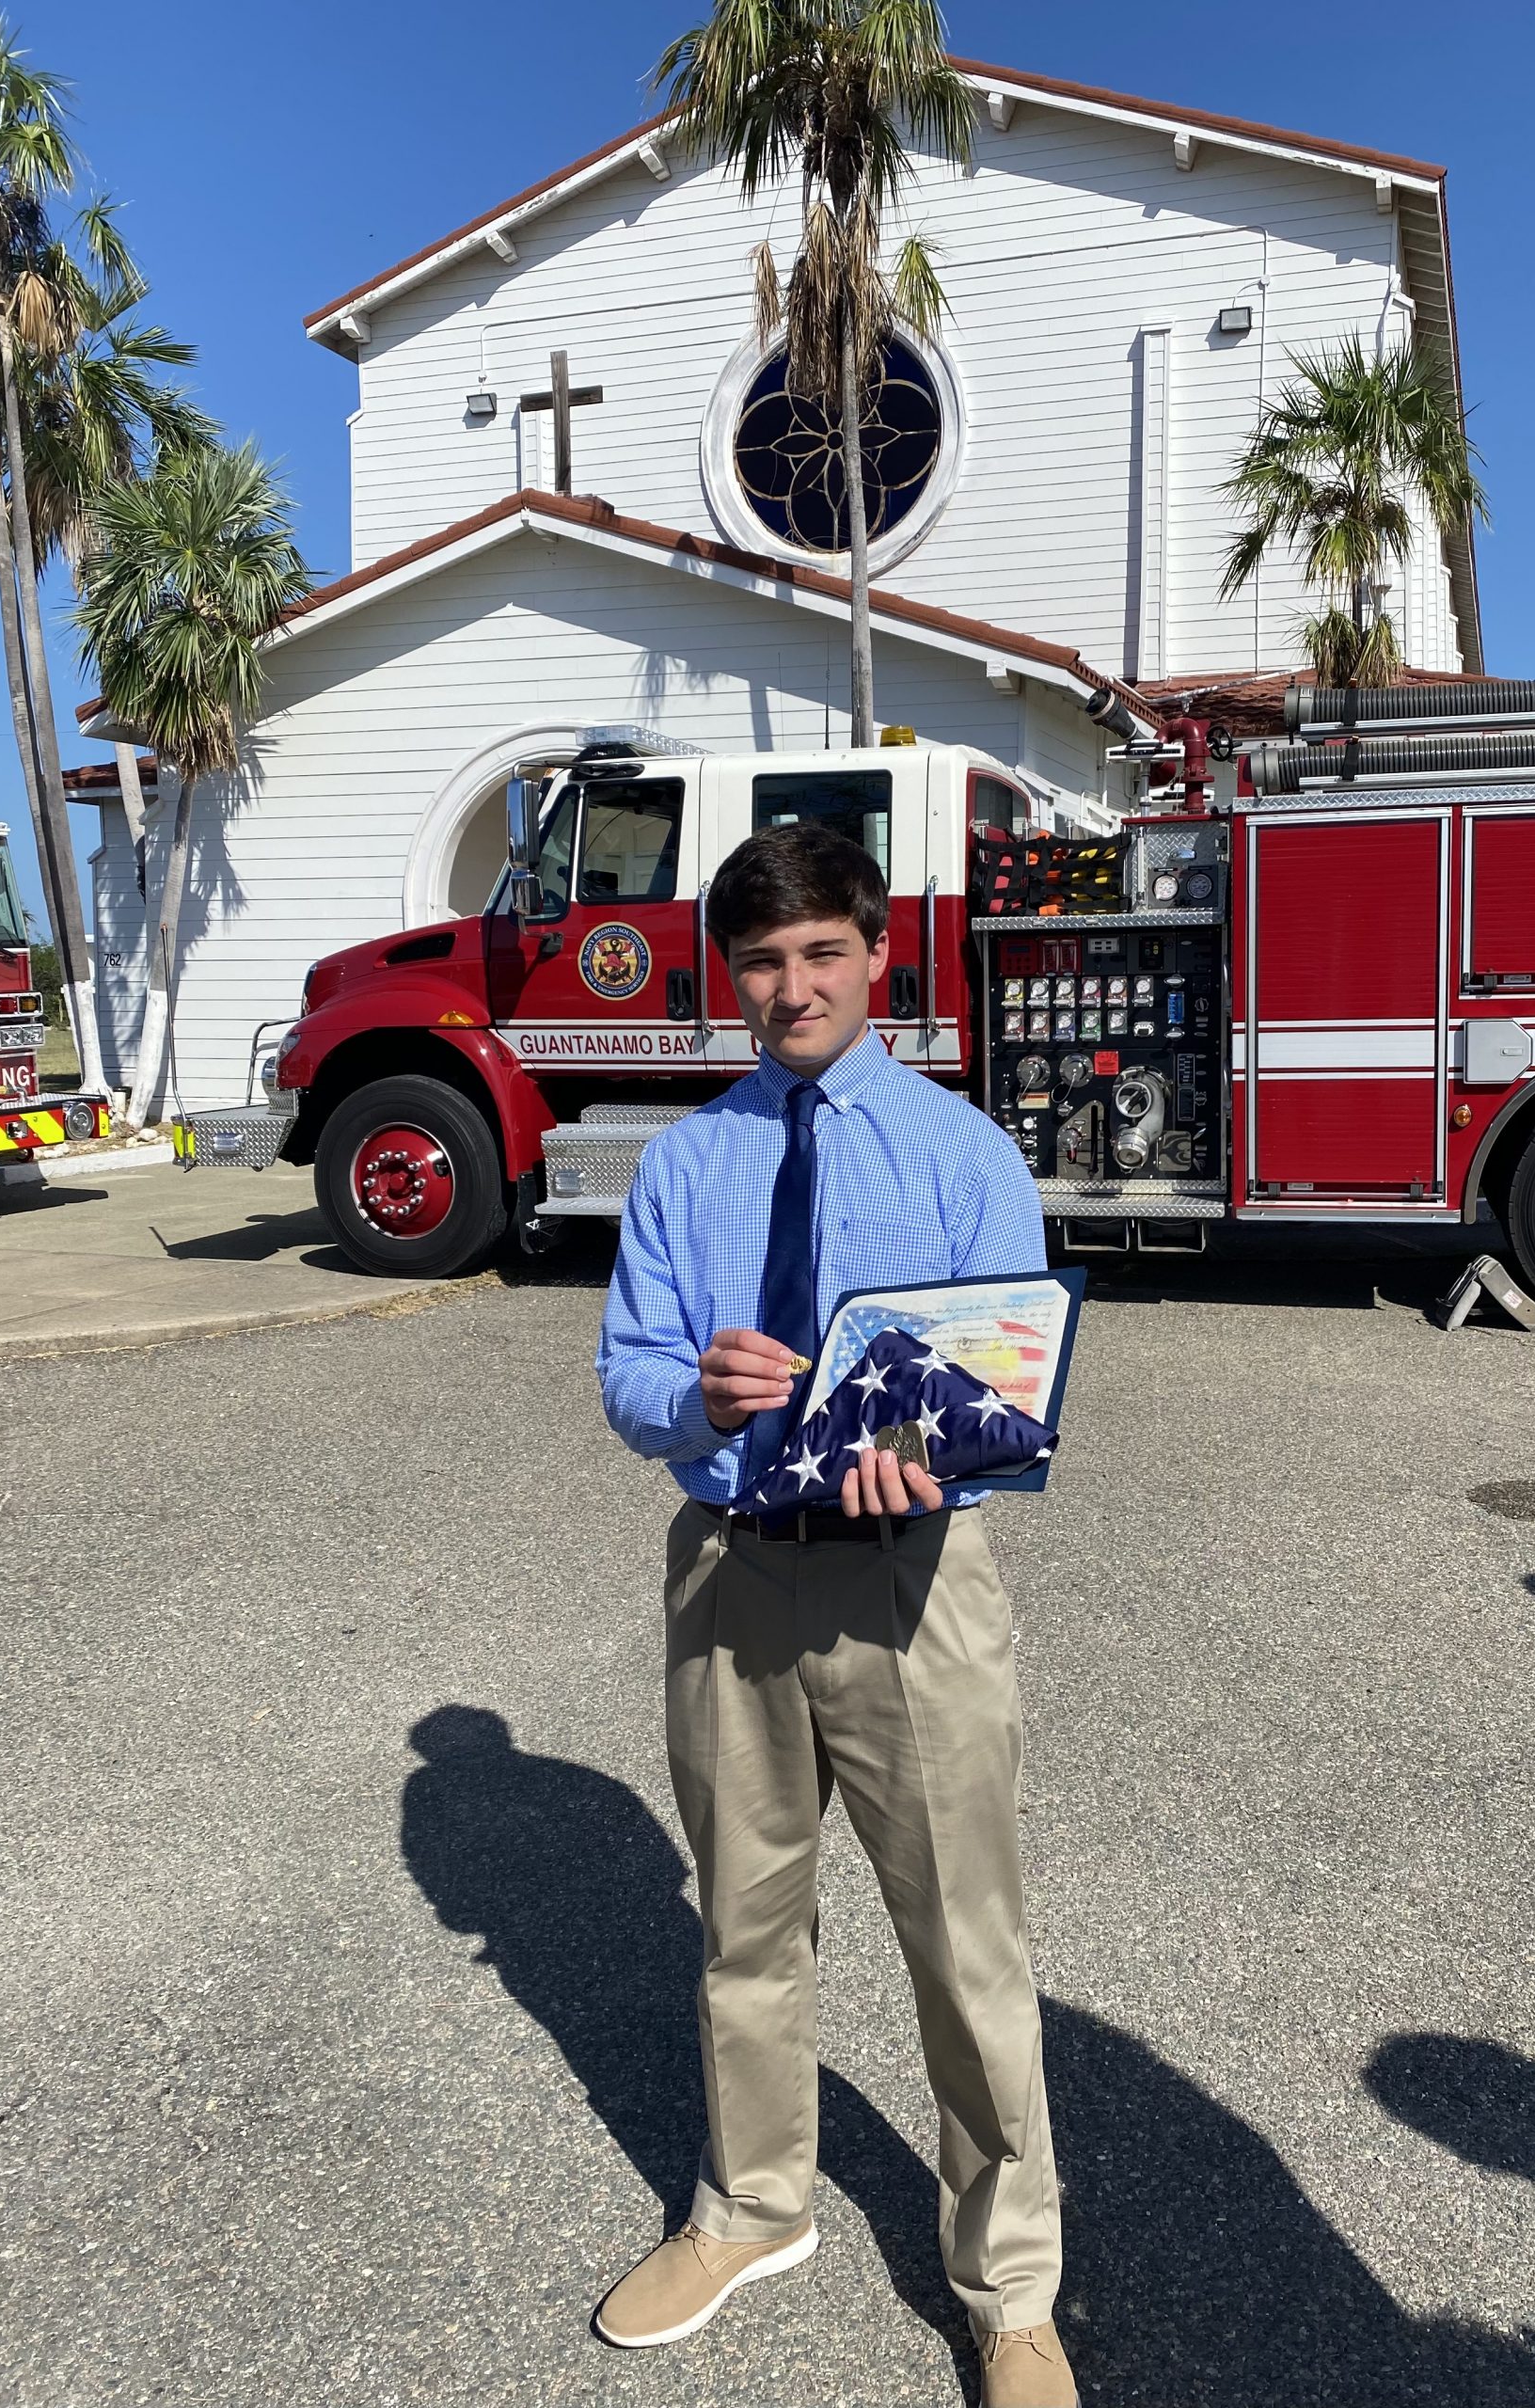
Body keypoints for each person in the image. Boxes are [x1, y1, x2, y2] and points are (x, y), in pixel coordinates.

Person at [593, 822, 1074, 2408]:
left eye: (819, 953)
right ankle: (753, 2207)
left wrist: (926, 1465)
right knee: (742, 1921)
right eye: (760, 961)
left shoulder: (959, 1156)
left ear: (875, 952)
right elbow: (627, 1370)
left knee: (964, 1943)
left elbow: (1010, 1386)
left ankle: (1009, 2294)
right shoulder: (688, 1161)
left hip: (908, 1586)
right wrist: (693, 1390)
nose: (791, 987)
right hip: (730, 1570)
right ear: (728, 978)